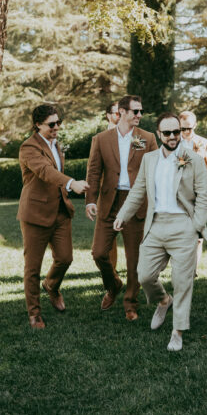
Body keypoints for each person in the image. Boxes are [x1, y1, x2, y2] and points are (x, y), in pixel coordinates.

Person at [113, 112, 207, 351]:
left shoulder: (194, 159)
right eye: (167, 133)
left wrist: (196, 226)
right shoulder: (150, 159)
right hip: (155, 225)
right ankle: (164, 301)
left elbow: (204, 196)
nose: (173, 137)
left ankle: (177, 331)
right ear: (159, 134)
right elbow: (138, 192)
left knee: (182, 281)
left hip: (183, 226)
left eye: (176, 132)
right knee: (144, 275)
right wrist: (122, 215)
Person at [85, 95, 158, 321]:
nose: (139, 116)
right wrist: (90, 199)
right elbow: (94, 172)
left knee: (134, 259)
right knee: (98, 253)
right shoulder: (101, 139)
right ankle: (114, 284)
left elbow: (156, 172)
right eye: (135, 112)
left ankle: (130, 303)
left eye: (140, 112)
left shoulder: (147, 138)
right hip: (109, 202)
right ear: (122, 113)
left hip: (136, 203)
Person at [17, 104, 89, 329]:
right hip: (35, 214)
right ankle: (34, 313)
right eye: (52, 124)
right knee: (32, 267)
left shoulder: (56, 144)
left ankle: (51, 286)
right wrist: (71, 183)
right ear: (38, 125)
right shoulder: (28, 147)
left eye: (59, 122)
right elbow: (45, 172)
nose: (57, 127)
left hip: (60, 211)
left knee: (65, 258)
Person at [179, 110, 207, 274]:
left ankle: (194, 268)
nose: (185, 132)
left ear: (195, 126)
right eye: (182, 129)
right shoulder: (172, 142)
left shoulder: (204, 142)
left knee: (198, 234)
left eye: (188, 129)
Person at [105, 101, 120, 271]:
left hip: (130, 193)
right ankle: (111, 272)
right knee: (109, 236)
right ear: (109, 115)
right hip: (108, 194)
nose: (120, 116)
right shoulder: (100, 138)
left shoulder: (134, 137)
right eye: (117, 113)